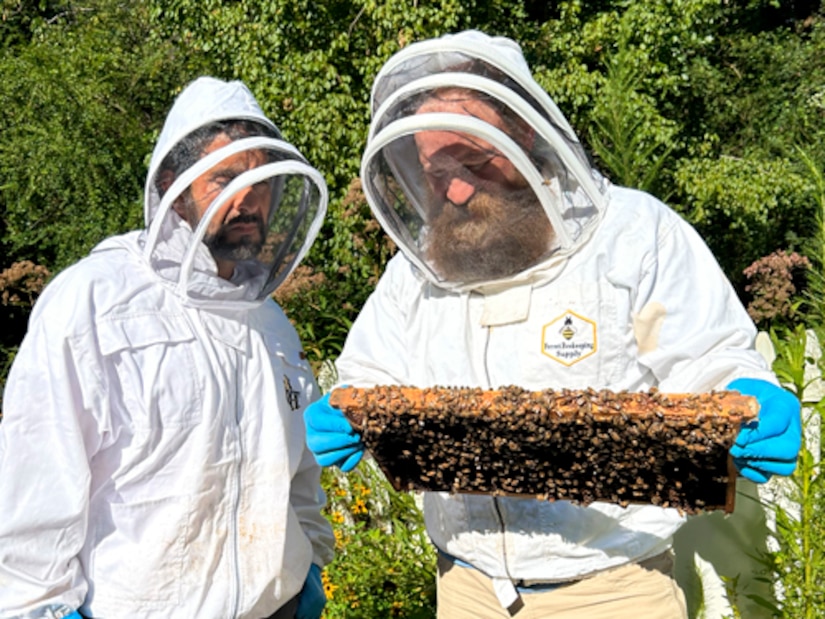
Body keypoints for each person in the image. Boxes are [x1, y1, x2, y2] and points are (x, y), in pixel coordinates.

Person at [303, 30, 802, 618]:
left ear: (525, 134)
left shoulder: (636, 235)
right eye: (436, 170)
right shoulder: (418, 271)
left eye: (474, 158)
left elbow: (708, 358)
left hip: (614, 591)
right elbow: (371, 369)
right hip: (465, 590)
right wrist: (345, 407)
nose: (456, 189)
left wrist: (745, 395)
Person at [0, 77, 334, 619]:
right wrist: (36, 608)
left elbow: (297, 470)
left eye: (259, 180)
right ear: (174, 187)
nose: (246, 199)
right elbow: (37, 479)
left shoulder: (271, 322)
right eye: (224, 178)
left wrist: (310, 563)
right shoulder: (94, 302)